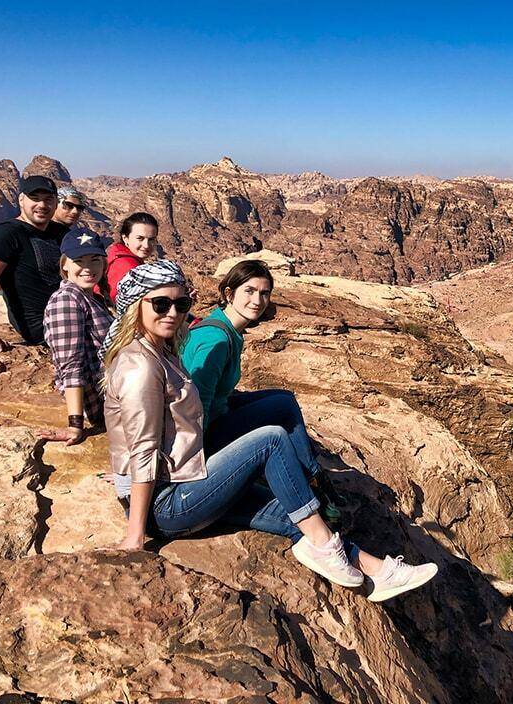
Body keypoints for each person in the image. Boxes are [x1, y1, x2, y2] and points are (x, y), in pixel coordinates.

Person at [101, 261, 437, 602]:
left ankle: (377, 572)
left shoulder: (160, 350)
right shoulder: (140, 367)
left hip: (185, 482)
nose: (172, 313)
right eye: (160, 304)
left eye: (181, 304)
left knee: (292, 510)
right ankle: (326, 540)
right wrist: (135, 534)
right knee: (271, 439)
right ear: (136, 305)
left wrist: (122, 471)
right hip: (167, 505)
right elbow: (143, 449)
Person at [180, 259, 346, 523]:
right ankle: (312, 484)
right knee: (281, 414)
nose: (257, 300)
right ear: (229, 293)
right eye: (249, 291)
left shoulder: (228, 328)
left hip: (219, 413)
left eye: (264, 293)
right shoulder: (216, 339)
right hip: (205, 436)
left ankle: (315, 477)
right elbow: (196, 406)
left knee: (284, 399)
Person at [37, 229, 113, 445]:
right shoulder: (66, 300)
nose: (88, 268)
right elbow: (71, 363)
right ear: (65, 265)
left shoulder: (92, 297)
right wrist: (75, 425)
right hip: (103, 404)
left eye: (95, 260)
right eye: (79, 261)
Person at [0, 175, 63, 351]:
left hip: (68, 312)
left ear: (55, 203)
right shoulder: (5, 233)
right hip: (42, 326)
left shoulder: (60, 232)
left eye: (48, 199)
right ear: (21, 200)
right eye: (35, 198)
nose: (42, 205)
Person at [106, 212, 158, 304]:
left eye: (151, 239)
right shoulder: (130, 268)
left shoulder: (117, 255)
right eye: (140, 238)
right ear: (125, 238)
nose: (146, 245)